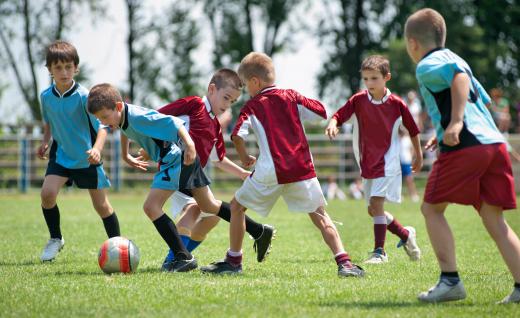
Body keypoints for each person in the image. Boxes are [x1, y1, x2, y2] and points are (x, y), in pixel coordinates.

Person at [200, 52, 365, 277]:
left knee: (237, 207)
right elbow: (321, 111)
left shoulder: (252, 106)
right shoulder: (291, 96)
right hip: (302, 170)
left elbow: (237, 135)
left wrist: (245, 157)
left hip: (270, 172)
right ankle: (344, 263)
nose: (247, 90)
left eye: (247, 85)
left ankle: (234, 261)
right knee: (320, 214)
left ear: (255, 82)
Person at [405, 8, 520, 304]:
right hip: (491, 143)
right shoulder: (459, 60)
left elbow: (457, 81)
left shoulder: (428, 64)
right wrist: (445, 128)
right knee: (494, 220)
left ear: (412, 43)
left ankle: (450, 281)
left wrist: (455, 122)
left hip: (467, 145)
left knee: (432, 209)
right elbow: (478, 99)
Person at [154, 69, 275, 269]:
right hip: (176, 171)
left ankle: (183, 255)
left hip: (195, 176)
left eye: (232, 102)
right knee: (193, 210)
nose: (227, 105)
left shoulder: (215, 126)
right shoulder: (193, 105)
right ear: (212, 89)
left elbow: (219, 159)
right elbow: (155, 117)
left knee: (211, 218)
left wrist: (242, 173)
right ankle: (175, 259)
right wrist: (151, 145)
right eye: (226, 98)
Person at [87, 83, 198, 273]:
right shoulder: (122, 117)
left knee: (152, 207)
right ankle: (255, 229)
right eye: (99, 119)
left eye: (105, 116)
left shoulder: (137, 116)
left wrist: (190, 145)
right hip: (169, 161)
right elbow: (123, 130)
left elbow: (174, 122)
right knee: (211, 206)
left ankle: (184, 256)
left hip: (174, 158)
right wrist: (125, 155)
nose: (104, 122)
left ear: (119, 107)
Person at [326, 55, 423, 265]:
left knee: (377, 204)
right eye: (366, 79)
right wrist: (333, 124)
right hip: (367, 163)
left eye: (374, 78)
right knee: (373, 210)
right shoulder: (358, 100)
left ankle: (380, 252)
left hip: (388, 162)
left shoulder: (397, 104)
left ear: (386, 77)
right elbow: (338, 115)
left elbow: (414, 130)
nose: (369, 83)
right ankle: (405, 234)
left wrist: (419, 155)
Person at [37, 41, 120, 262]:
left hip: (87, 159)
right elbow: (49, 123)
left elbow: (102, 128)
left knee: (101, 206)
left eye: (68, 67)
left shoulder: (84, 96)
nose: (64, 72)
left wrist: (96, 149)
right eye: (58, 68)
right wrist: (45, 142)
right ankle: (56, 238)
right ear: (49, 70)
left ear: (76, 68)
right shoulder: (45, 97)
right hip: (61, 157)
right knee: (47, 194)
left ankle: (118, 247)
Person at [399, 128, 420, 202]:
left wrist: (412, 158)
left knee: (409, 179)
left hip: (407, 161)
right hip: (398, 162)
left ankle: (413, 195)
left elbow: (412, 150)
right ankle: (399, 195)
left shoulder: (407, 139)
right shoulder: (396, 139)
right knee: (398, 180)